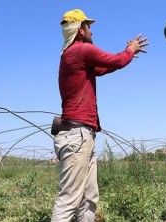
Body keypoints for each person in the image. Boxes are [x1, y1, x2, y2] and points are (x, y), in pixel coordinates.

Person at [51, 9, 148, 222]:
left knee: (89, 198)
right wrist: (130, 50)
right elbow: (115, 61)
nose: (92, 31)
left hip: (82, 135)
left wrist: (126, 53)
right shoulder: (80, 50)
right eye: (88, 26)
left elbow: (106, 67)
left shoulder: (72, 55)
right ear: (80, 29)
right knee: (69, 200)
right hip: (77, 135)